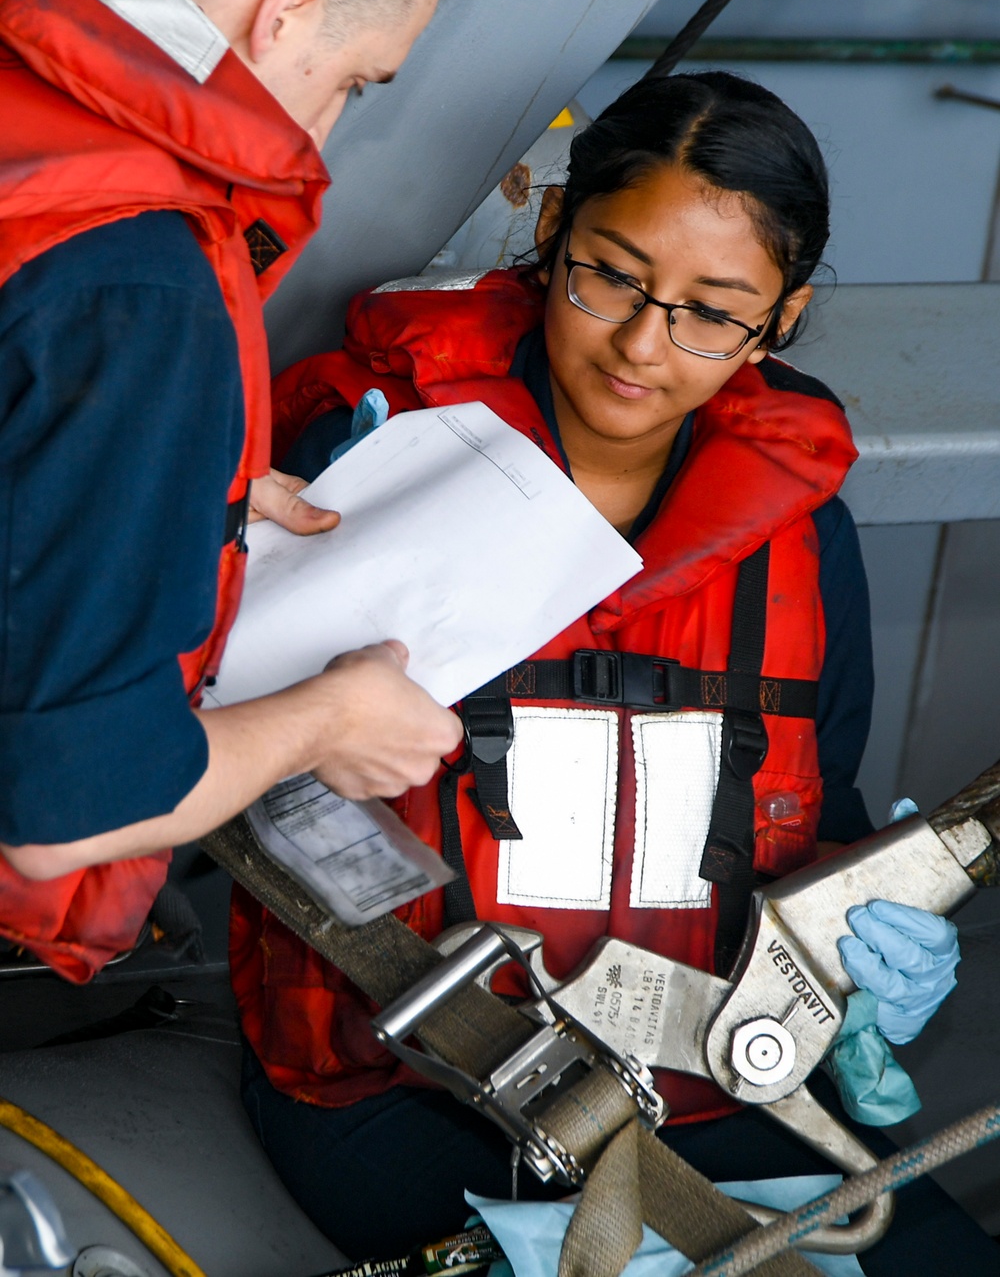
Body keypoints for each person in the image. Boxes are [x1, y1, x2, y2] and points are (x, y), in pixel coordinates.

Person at [232, 71, 991, 1274]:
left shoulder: (799, 532)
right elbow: (211, 751)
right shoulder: (388, 446)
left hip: (716, 1088)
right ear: (549, 233)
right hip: (410, 1089)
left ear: (781, 317)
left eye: (712, 311)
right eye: (611, 275)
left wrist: (861, 974)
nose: (643, 343)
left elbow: (815, 804)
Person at [0, 0, 476, 979]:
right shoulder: (140, 284)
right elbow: (64, 816)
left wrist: (165, 479)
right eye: (357, 81)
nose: (322, 135)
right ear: (288, 11)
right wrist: (331, 721)